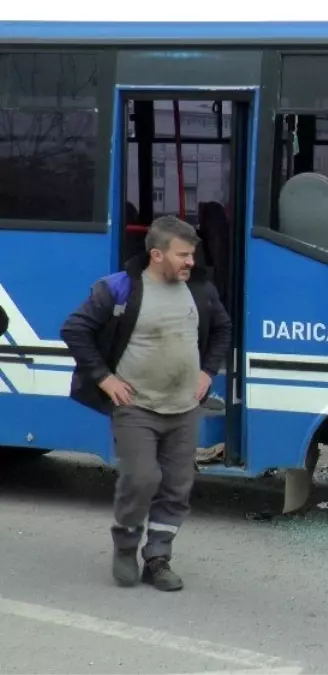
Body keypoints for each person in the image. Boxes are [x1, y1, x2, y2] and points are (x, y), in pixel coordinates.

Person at [61, 216, 232, 591]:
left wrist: (207, 372)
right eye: (183, 255)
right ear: (157, 255)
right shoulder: (118, 289)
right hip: (136, 407)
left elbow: (222, 329)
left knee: (176, 486)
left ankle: (158, 558)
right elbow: (74, 329)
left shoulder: (201, 291)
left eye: (192, 254)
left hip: (184, 408)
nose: (191, 262)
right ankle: (125, 546)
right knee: (141, 478)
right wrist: (105, 378)